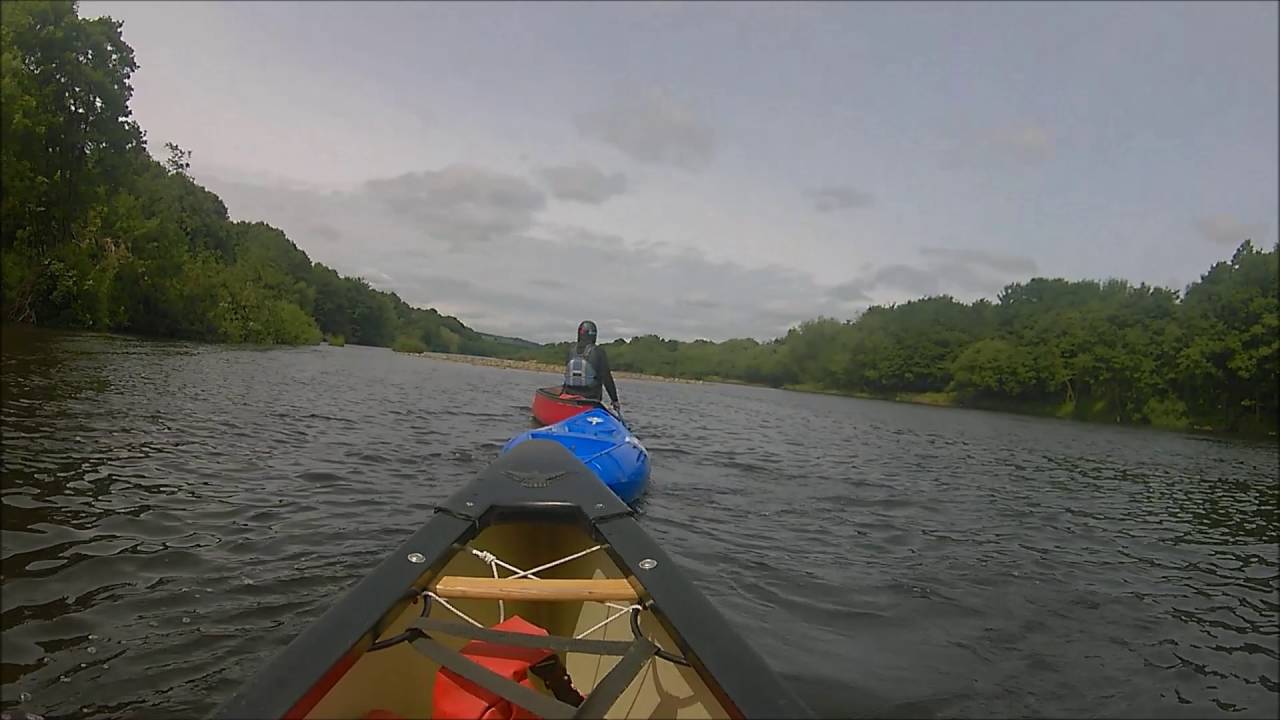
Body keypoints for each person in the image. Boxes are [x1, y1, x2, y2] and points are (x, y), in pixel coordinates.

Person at [562, 320, 620, 414]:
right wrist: (614, 400)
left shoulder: (570, 350)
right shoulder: (598, 352)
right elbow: (607, 378)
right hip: (590, 401)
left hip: (569, 399)